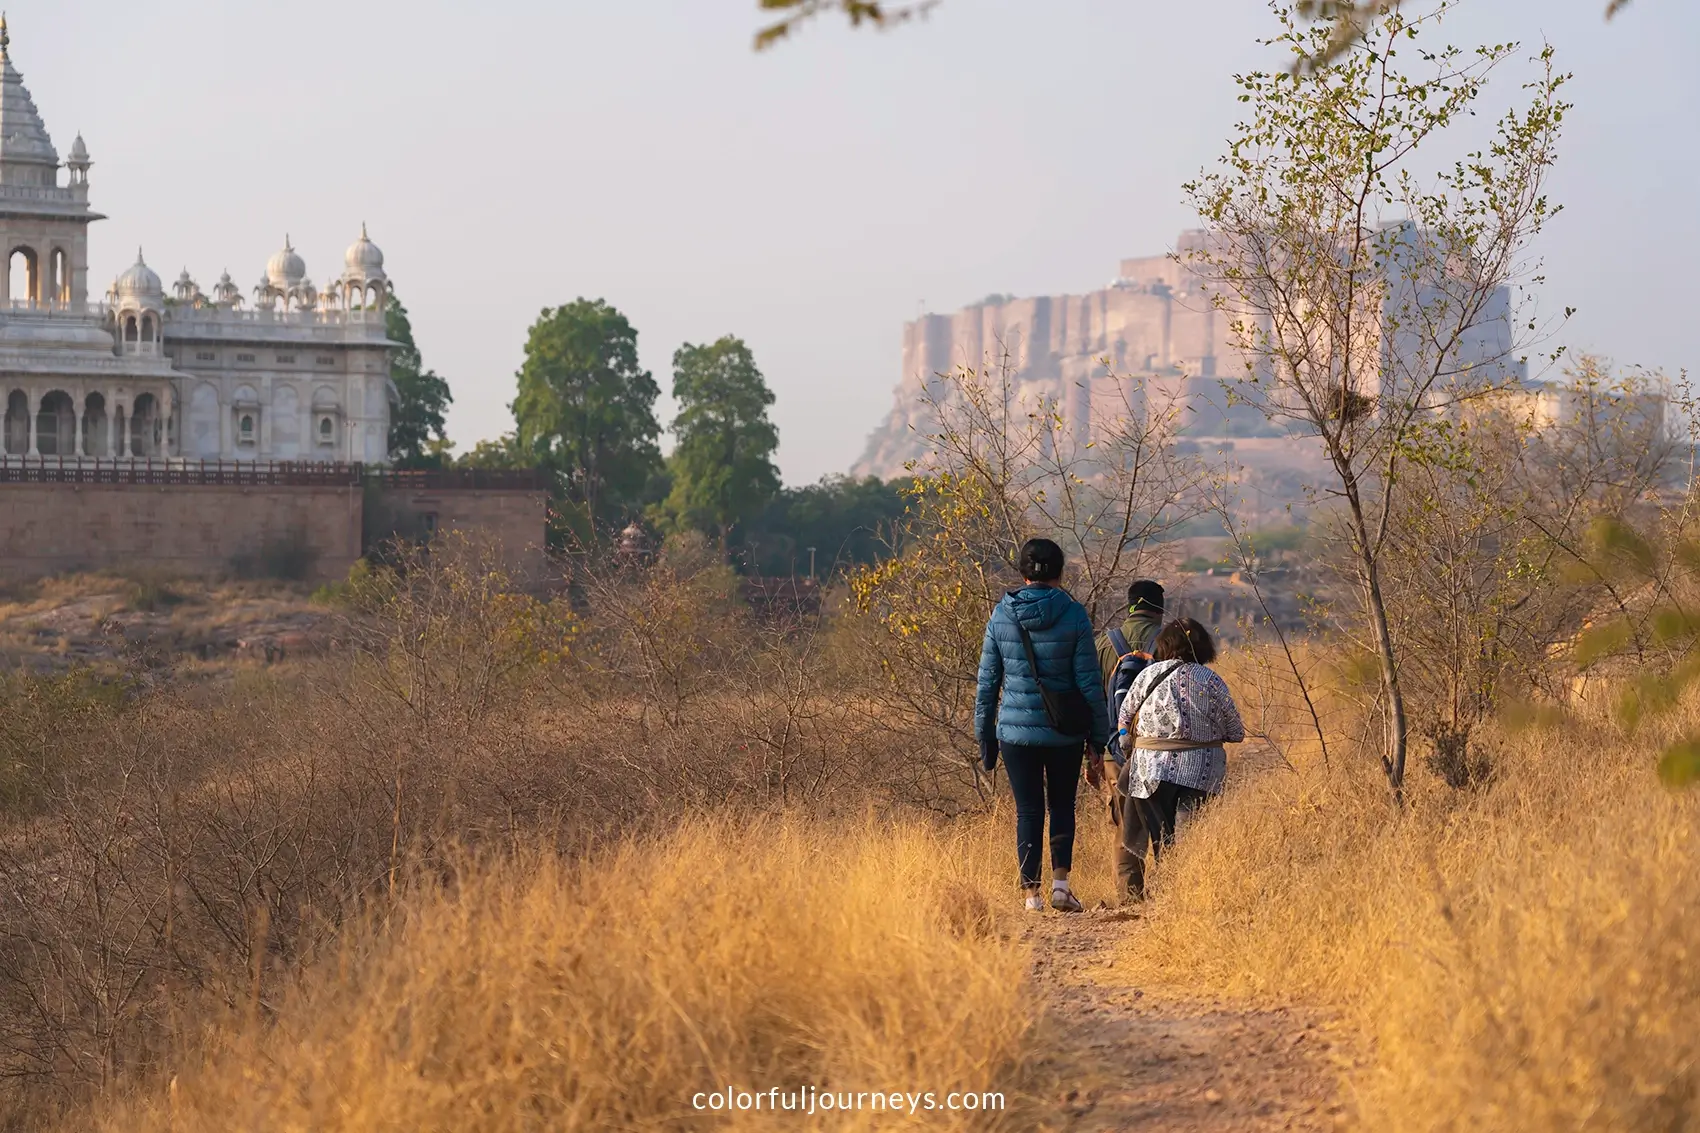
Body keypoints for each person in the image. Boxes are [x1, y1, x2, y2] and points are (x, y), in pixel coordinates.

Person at [975, 538, 1110, 913]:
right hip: (1064, 731)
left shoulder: (1002, 614)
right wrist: (1100, 737)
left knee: (1028, 811)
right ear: (1060, 572)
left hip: (1015, 733)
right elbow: (1089, 683)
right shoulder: (1074, 614)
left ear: (1021, 572)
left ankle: (1030, 896)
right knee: (1063, 805)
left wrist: (985, 734)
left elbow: (987, 682)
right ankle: (1061, 888)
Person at [1114, 617, 1244, 901]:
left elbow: (1123, 717)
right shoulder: (1211, 680)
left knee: (1158, 835)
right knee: (1186, 838)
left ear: (1163, 645)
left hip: (1149, 771)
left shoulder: (1147, 676)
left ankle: (1139, 896)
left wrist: (1129, 739)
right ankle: (1174, 897)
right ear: (1203, 647)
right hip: (1200, 771)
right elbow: (1236, 732)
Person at [1096, 580, 1165, 904]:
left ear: (1129, 606)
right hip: (1164, 751)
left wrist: (1092, 756)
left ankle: (1130, 898)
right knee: (1166, 821)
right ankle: (1170, 892)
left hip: (1115, 751)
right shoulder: (1172, 642)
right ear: (1159, 608)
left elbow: (1093, 704)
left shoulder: (1105, 645)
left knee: (1124, 823)